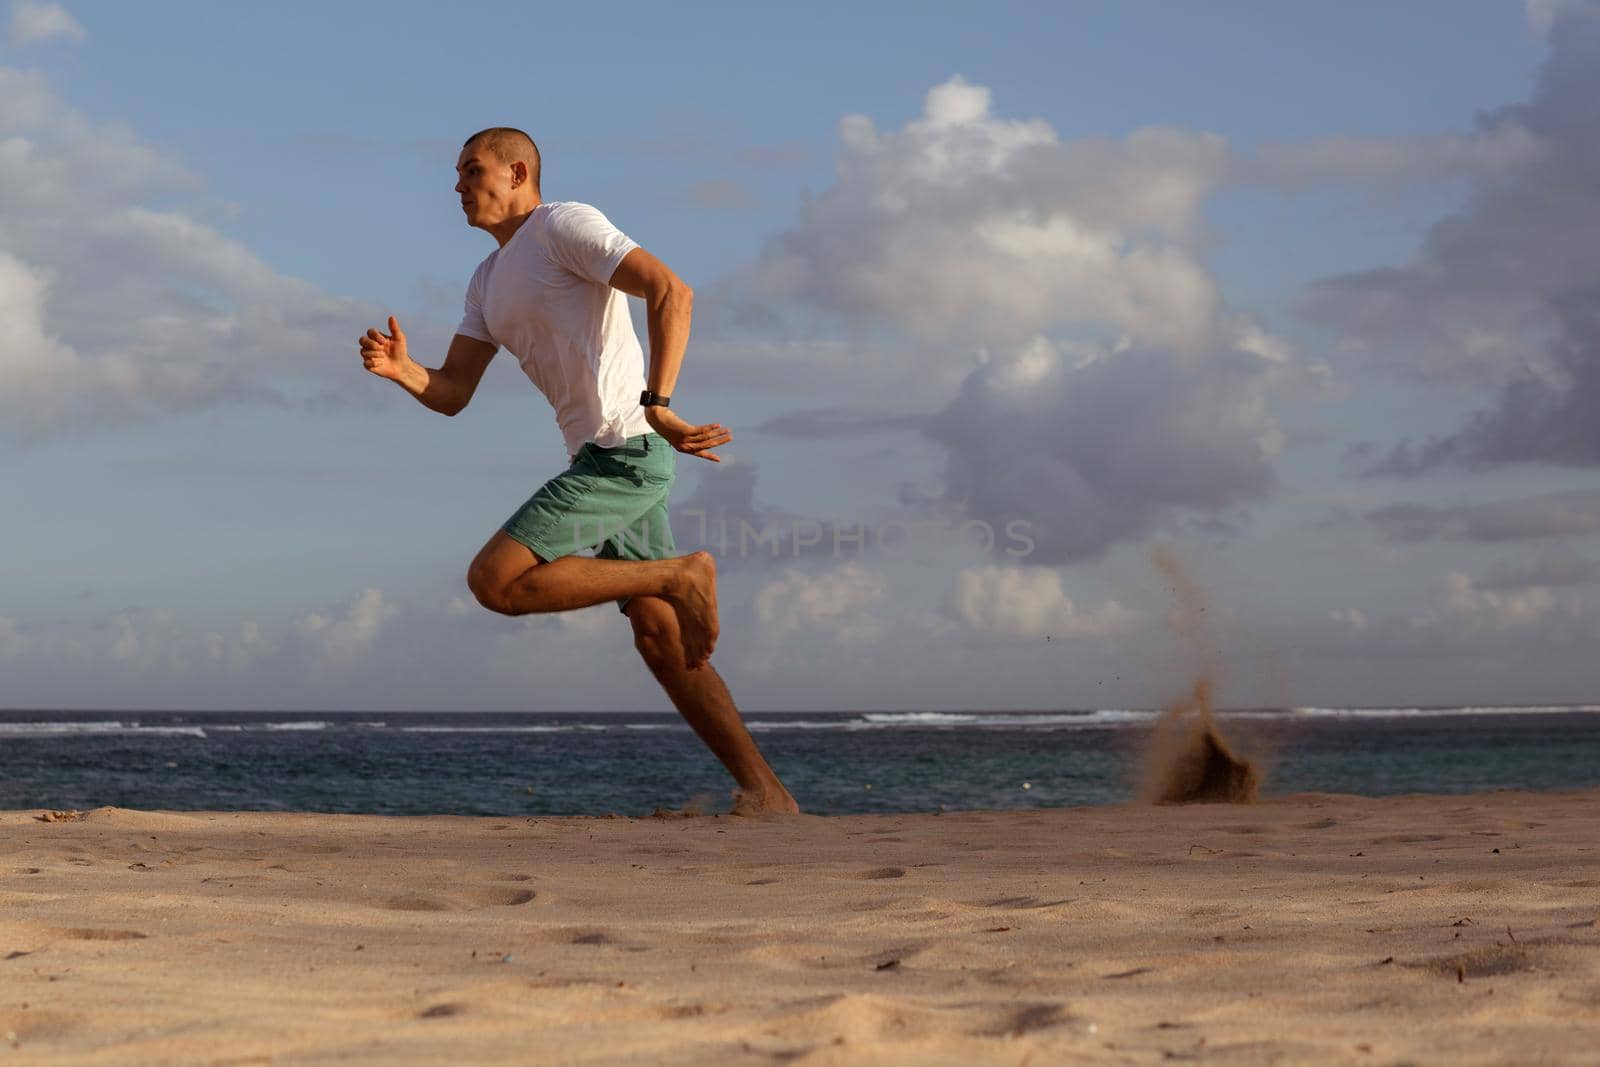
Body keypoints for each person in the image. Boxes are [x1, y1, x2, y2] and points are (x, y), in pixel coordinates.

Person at [358, 127, 798, 816]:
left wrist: (659, 405)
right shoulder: (485, 281)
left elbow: (670, 291)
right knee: (660, 637)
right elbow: (452, 392)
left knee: (494, 580)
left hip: (627, 449)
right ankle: (768, 794)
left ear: (518, 170)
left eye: (472, 170)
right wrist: (400, 370)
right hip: (597, 456)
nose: (458, 185)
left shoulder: (563, 225)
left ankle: (679, 572)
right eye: (457, 173)